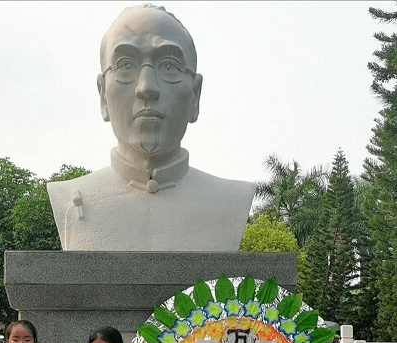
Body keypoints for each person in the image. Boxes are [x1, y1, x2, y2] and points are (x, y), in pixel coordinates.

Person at [46, 4, 255, 252]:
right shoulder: (69, 201)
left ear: (195, 96)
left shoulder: (231, 201)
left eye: (169, 66)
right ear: (103, 94)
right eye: (125, 65)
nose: (146, 88)